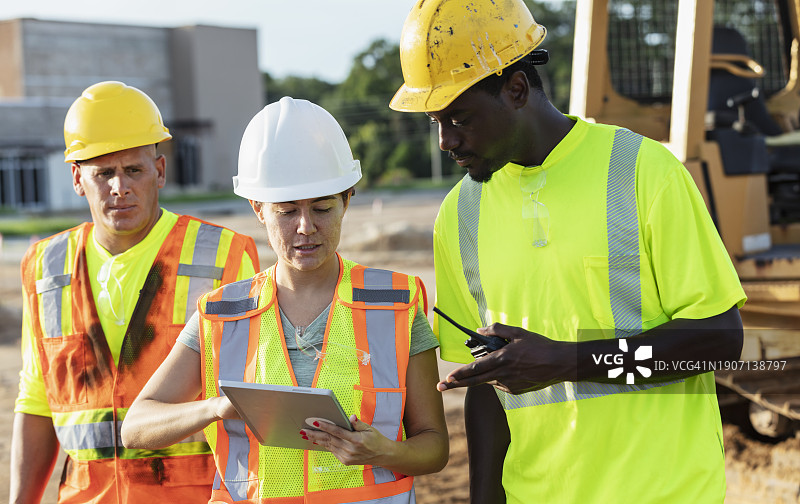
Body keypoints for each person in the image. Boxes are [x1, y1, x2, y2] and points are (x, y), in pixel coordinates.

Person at [390, 1, 746, 503]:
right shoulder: (459, 215)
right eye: (437, 122)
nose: (447, 140)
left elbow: (719, 339)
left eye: (460, 118)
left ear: (516, 89)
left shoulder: (643, 172)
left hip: (663, 491)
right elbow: (488, 387)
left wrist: (569, 361)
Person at [121, 96, 448, 503]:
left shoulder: (395, 305)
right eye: (287, 211)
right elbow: (135, 426)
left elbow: (434, 445)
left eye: (323, 208)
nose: (306, 227)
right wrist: (216, 408)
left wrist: (384, 450)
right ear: (258, 209)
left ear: (347, 199)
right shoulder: (221, 316)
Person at [10, 81, 260, 504]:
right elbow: (36, 399)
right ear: (77, 178)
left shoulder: (224, 256)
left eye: (134, 170)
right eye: (103, 173)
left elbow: (254, 397)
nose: (119, 187)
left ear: (160, 170)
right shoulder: (45, 267)